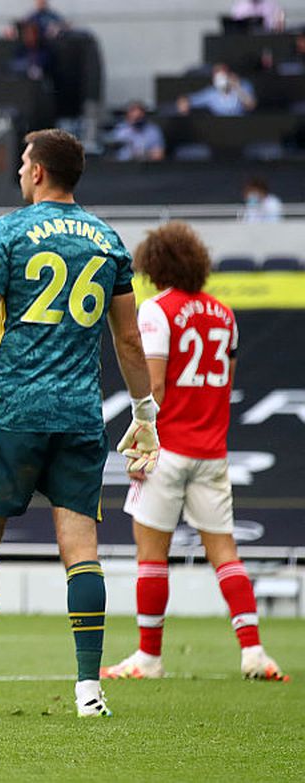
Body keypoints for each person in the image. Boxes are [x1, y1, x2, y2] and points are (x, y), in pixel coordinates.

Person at [0, 129, 157, 719]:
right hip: (80, 415)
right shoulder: (108, 240)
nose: (21, 171)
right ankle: (89, 691)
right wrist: (145, 412)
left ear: (37, 172)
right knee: (82, 551)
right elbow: (128, 338)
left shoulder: (8, 231)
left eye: (24, 162)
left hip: (14, 409)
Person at [99, 222, 287, 683]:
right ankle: (254, 653)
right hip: (212, 448)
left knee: (151, 556)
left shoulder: (157, 312)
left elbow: (155, 383)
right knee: (225, 553)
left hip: (166, 449)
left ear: (154, 265)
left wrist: (142, 435)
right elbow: (225, 384)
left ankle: (149, 657)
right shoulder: (224, 315)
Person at [177, 64, 256, 116]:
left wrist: (237, 87)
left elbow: (251, 105)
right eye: (217, 78)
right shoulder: (211, 93)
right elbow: (191, 100)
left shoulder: (244, 86)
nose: (221, 80)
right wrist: (184, 101)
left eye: (223, 76)